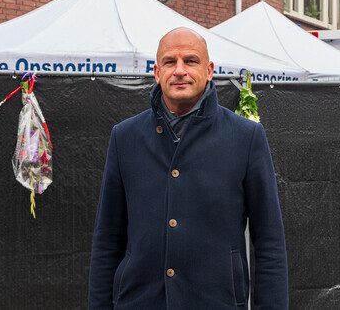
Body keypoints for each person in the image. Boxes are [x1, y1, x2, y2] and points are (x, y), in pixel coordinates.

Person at [88, 27, 288, 309]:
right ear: (157, 73)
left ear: (209, 70)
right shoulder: (125, 137)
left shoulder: (246, 138)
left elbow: (269, 243)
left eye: (190, 61)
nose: (180, 70)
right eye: (170, 62)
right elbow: (108, 239)